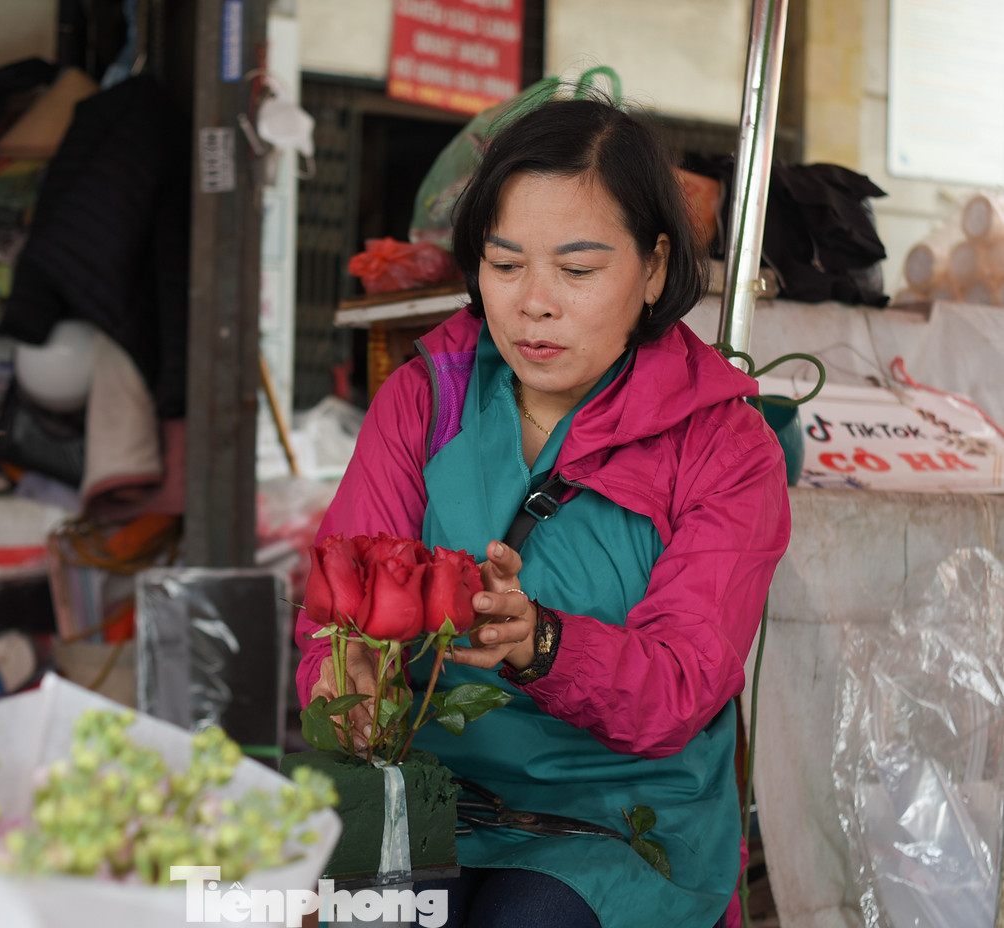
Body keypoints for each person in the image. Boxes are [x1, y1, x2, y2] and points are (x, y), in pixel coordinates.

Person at [293, 92, 791, 928]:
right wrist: (346, 681)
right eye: (506, 262)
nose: (534, 302)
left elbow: (681, 683)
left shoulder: (726, 448)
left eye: (578, 269)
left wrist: (541, 643)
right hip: (433, 795)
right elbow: (337, 600)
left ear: (656, 268)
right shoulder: (425, 397)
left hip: (622, 819)